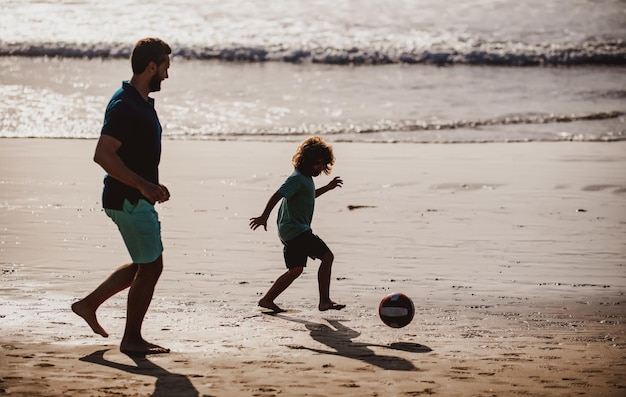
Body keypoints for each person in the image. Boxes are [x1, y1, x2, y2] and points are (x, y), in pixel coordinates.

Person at [72, 38, 172, 356]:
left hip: (134, 196)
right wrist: (143, 185)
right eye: (165, 67)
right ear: (151, 66)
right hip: (127, 198)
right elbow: (103, 154)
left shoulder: (139, 103)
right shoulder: (125, 105)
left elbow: (135, 154)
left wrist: (152, 185)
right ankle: (131, 339)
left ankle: (88, 304)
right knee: (152, 266)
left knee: (145, 264)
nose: (168, 76)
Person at [250, 136, 346, 313]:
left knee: (295, 270)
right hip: (296, 230)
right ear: (306, 161)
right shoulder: (297, 178)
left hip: (290, 231)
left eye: (323, 164)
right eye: (316, 163)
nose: (320, 168)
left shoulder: (305, 179)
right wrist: (264, 216)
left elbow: (309, 195)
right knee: (327, 257)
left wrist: (328, 188)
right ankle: (324, 301)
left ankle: (267, 299)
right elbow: (278, 195)